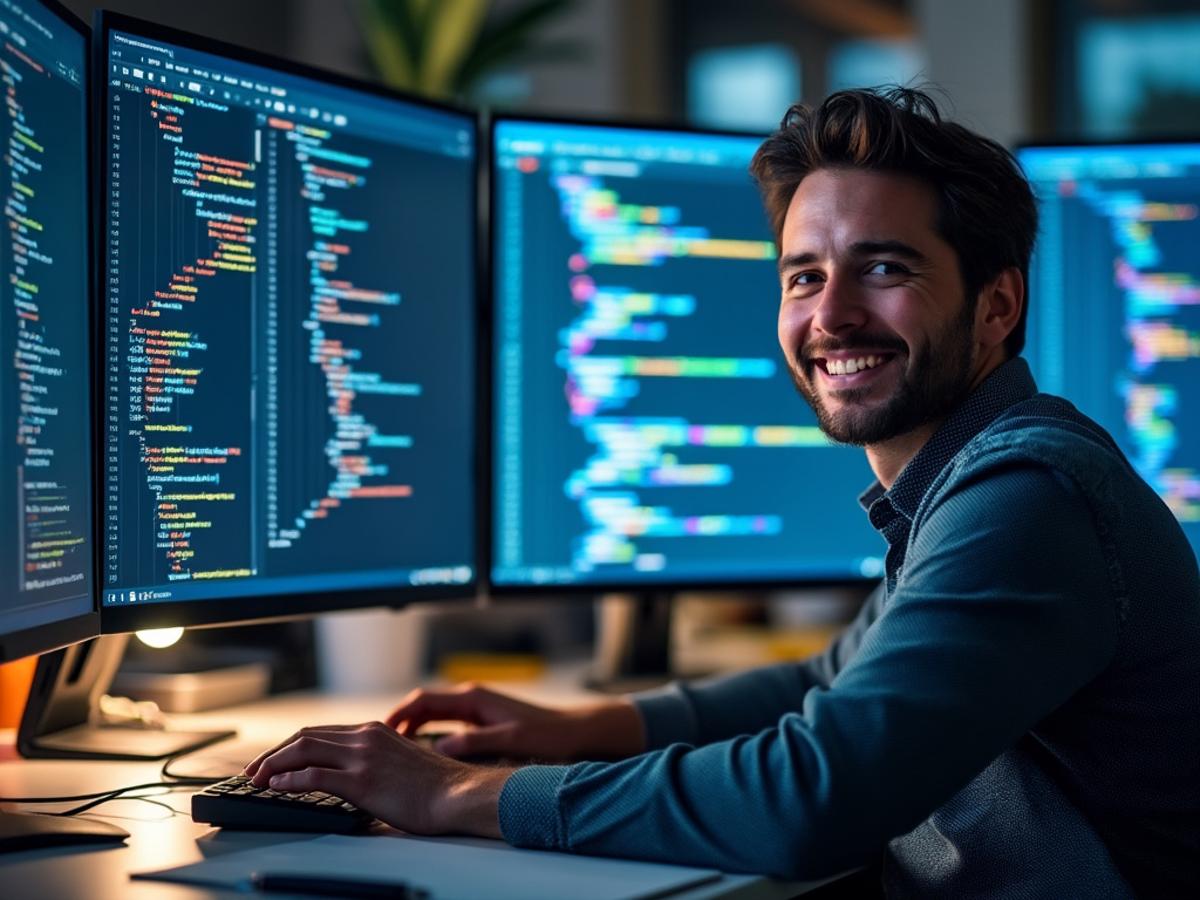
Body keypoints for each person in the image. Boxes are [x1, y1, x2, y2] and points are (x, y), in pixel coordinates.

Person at [244, 88, 1200, 897]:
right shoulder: (970, 475)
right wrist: (585, 726)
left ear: (997, 304)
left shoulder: (1027, 491)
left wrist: (452, 795)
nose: (830, 315)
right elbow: (829, 686)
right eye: (804, 276)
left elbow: (813, 795)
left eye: (884, 267)